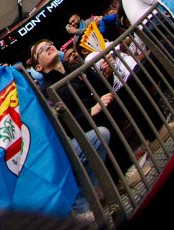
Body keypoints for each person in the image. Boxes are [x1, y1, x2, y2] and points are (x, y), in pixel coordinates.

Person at [30, 38, 112, 218]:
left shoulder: (77, 69)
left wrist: (108, 71)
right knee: (100, 136)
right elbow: (60, 123)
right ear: (38, 67)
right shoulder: (45, 91)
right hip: (75, 137)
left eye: (50, 44)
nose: (48, 47)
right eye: (42, 50)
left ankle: (112, 182)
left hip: (98, 121)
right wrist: (90, 111)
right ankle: (85, 202)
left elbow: (103, 88)